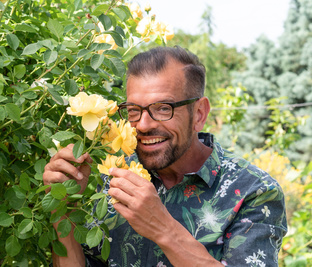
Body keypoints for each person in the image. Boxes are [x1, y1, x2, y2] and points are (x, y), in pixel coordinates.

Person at [43, 46, 287, 266]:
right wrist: (62, 208)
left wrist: (163, 229)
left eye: (163, 108)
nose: (143, 125)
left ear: (199, 113)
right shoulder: (108, 176)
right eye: (134, 110)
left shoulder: (253, 191)